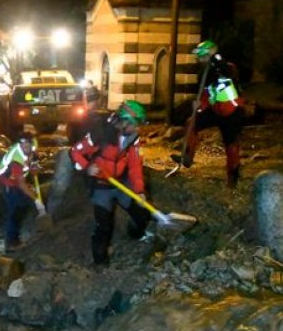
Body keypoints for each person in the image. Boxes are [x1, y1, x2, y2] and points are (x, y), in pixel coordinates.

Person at [70, 100, 151, 266]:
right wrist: (88, 167)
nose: (138, 128)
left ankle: (136, 235)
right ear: (125, 121)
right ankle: (99, 263)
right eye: (136, 124)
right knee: (104, 226)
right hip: (101, 185)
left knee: (141, 214)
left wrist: (139, 190)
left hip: (121, 181)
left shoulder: (133, 138)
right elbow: (75, 152)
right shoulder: (100, 134)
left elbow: (135, 166)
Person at [170, 39, 246, 188]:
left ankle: (232, 180)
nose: (199, 60)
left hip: (232, 113)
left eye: (202, 57)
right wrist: (199, 108)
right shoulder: (204, 73)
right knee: (191, 122)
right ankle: (187, 156)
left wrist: (217, 64)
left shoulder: (225, 67)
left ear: (209, 55)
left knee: (231, 147)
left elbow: (227, 73)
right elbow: (206, 94)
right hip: (216, 110)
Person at [0, 133, 44, 253]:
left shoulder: (32, 148)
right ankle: (11, 243)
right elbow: (21, 184)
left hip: (17, 179)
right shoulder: (16, 160)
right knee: (14, 211)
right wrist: (37, 200)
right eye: (23, 145)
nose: (26, 147)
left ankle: (35, 225)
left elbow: (34, 159)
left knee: (23, 204)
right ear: (19, 145)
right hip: (8, 182)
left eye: (28, 145)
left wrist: (34, 167)